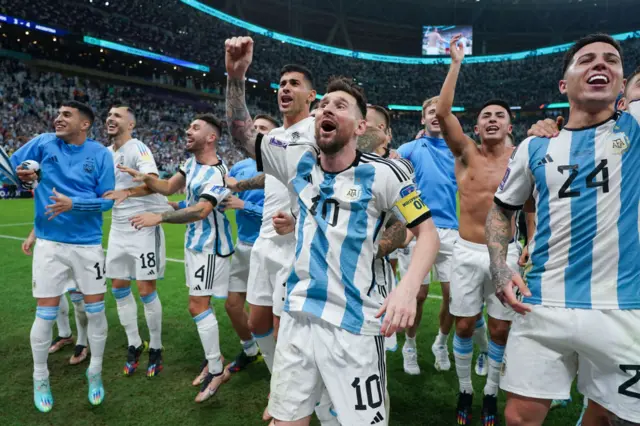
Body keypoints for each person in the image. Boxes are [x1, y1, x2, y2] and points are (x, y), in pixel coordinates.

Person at [225, 35, 439, 426]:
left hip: (355, 324)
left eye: (339, 105)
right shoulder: (298, 160)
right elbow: (242, 133)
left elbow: (427, 233)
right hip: (298, 315)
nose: (326, 108)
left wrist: (407, 288)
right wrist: (235, 76)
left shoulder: (386, 174)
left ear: (360, 126)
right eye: (323, 103)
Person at [488, 32, 640, 426]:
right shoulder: (534, 146)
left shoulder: (636, 128)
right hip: (541, 303)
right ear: (564, 84)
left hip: (622, 306)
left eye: (611, 59)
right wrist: (500, 265)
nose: (601, 64)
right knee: (519, 418)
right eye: (587, 60)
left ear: (623, 85)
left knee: (614, 419)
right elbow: (501, 210)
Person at [117, 114, 234, 403]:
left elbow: (201, 211)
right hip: (194, 244)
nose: (187, 131)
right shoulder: (190, 163)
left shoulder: (218, 173)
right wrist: (147, 180)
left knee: (197, 307)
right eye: (189, 126)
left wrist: (160, 216)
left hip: (211, 247)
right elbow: (169, 187)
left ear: (211, 137)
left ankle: (217, 369)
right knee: (198, 306)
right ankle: (214, 359)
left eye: (195, 128)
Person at [436, 34, 521, 425]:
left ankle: (490, 393)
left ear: (509, 124)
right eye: (485, 115)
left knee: (501, 329)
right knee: (466, 324)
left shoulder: (523, 157)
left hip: (507, 253)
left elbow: (533, 206)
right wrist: (456, 64)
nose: (491, 119)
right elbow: (443, 113)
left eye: (498, 115)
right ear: (476, 125)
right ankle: (466, 388)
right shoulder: (466, 152)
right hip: (467, 251)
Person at [11, 101, 115, 412]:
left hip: (87, 245)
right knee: (45, 311)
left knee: (95, 311)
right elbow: (18, 171)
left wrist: (75, 204)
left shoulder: (100, 154)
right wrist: (24, 177)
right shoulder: (43, 142)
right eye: (58, 113)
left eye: (67, 115)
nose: (58, 118)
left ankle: (94, 371)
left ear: (85, 124)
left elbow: (107, 201)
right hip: (49, 243)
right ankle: (39, 376)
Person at [396, 95, 488, 376]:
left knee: (453, 295)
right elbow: (393, 186)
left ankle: (441, 342)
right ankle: (409, 345)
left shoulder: (460, 151)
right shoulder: (408, 149)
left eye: (440, 112)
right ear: (422, 119)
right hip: (418, 227)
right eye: (430, 112)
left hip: (451, 230)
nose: (436, 116)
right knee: (419, 294)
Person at [102, 104, 169, 377]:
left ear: (131, 124)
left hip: (142, 224)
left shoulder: (138, 148)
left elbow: (152, 181)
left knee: (145, 290)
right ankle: (134, 342)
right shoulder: (106, 154)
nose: (110, 118)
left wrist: (127, 193)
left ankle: (156, 346)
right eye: (109, 115)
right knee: (118, 287)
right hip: (118, 228)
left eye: (117, 116)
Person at [219, 147, 265, 374]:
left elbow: (286, 213)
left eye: (263, 129)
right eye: (254, 128)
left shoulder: (278, 166)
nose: (256, 133)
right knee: (233, 304)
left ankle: (279, 360)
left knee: (265, 314)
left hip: (268, 247)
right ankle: (250, 350)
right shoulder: (240, 166)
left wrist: (244, 205)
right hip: (242, 245)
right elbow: (225, 191)